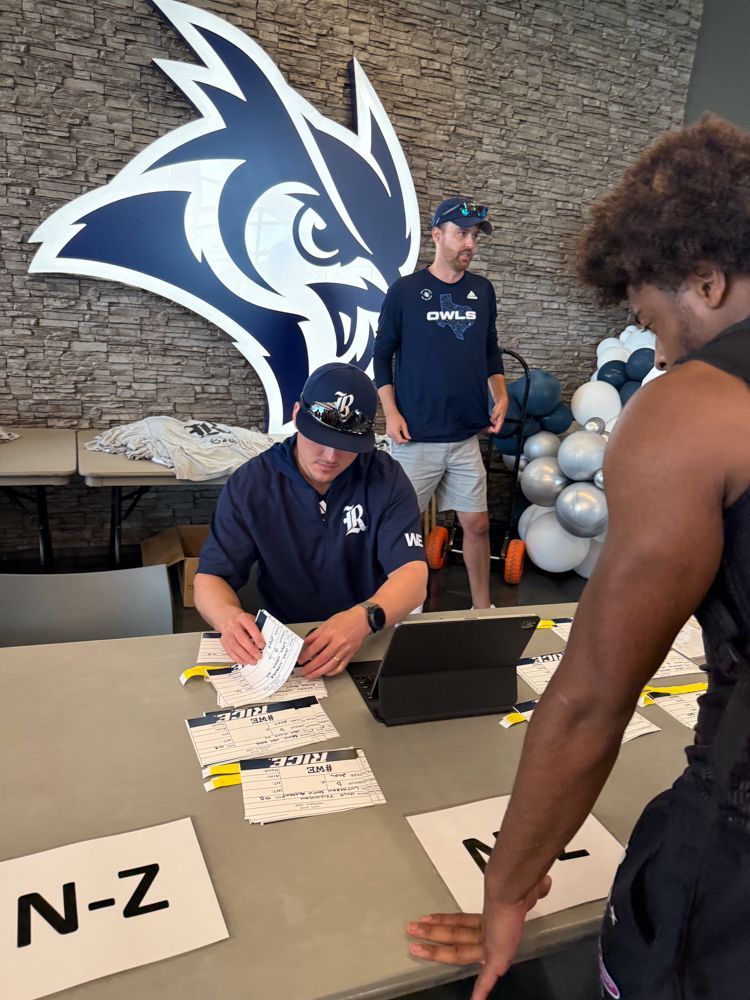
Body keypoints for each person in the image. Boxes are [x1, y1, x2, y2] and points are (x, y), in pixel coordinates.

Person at [406, 115, 750, 999]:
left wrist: (508, 884)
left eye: (653, 321)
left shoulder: (693, 412)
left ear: (708, 282)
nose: (661, 353)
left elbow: (594, 695)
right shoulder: (409, 295)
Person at [194, 362, 428, 677]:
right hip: (284, 645)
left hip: (368, 635)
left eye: (346, 446)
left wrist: (362, 620)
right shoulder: (252, 484)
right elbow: (210, 577)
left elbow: (413, 576)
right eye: (319, 438)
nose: (330, 457)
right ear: (295, 416)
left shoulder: (386, 478)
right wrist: (228, 618)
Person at [373, 197, 508, 609]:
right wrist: (391, 413)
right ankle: (401, 609)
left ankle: (482, 608)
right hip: (415, 436)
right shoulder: (405, 292)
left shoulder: (482, 291)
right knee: (402, 528)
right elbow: (381, 356)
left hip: (466, 433)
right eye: (461, 234)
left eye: (474, 236)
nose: (469, 243)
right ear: (437, 235)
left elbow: (490, 351)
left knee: (477, 524)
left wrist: (500, 394)